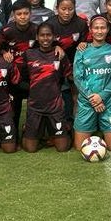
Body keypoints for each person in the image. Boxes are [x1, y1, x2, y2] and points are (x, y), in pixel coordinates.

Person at [19, 22, 73, 153]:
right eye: (42, 35)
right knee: (30, 149)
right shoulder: (29, 54)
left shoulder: (59, 54)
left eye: (48, 35)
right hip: (35, 106)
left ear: (54, 36)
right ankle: (28, 129)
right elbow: (20, 78)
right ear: (37, 37)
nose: (45, 38)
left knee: (63, 148)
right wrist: (32, 88)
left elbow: (70, 76)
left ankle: (65, 129)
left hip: (55, 107)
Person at [72, 15, 111, 153]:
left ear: (107, 30)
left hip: (108, 103)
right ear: (90, 30)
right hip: (86, 102)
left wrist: (101, 96)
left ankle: (102, 132)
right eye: (96, 28)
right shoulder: (82, 50)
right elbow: (77, 77)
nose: (99, 31)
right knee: (80, 148)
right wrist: (93, 99)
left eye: (102, 28)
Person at [48, 0, 91, 122]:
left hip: (76, 64)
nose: (67, 12)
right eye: (63, 9)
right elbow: (42, 46)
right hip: (56, 66)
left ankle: (78, 125)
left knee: (76, 95)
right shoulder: (50, 24)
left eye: (70, 9)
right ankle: (58, 126)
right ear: (57, 8)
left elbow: (87, 42)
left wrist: (85, 43)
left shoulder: (81, 24)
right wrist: (54, 46)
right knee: (56, 97)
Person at [0, 0, 37, 135]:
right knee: (14, 108)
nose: (23, 16)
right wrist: (3, 52)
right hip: (13, 77)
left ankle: (31, 133)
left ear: (30, 14)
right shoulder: (6, 30)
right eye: (19, 14)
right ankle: (12, 136)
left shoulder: (36, 30)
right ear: (14, 16)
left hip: (32, 75)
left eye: (26, 13)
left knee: (34, 108)